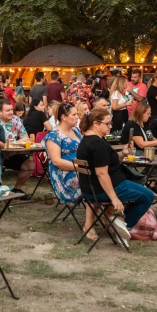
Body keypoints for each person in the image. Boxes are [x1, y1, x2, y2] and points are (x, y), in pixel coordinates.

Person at [76, 108, 155, 248]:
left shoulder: (88, 140)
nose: (111, 127)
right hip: (104, 188)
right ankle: (123, 223)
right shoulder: (97, 144)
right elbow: (102, 174)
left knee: (141, 188)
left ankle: (115, 220)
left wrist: (123, 153)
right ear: (96, 123)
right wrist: (114, 198)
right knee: (148, 195)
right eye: (108, 124)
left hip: (92, 188)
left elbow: (108, 162)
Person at [43, 102, 98, 239]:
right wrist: (81, 168)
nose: (76, 117)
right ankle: (90, 225)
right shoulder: (54, 136)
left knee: (104, 176)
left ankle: (107, 216)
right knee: (94, 182)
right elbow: (56, 161)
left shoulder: (76, 132)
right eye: (73, 115)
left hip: (81, 170)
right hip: (65, 176)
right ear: (64, 117)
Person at [0, 99, 35, 198]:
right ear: (0, 112)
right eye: (7, 110)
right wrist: (13, 144)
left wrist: (15, 144)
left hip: (13, 152)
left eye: (11, 110)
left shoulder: (16, 119)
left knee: (30, 165)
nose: (11, 112)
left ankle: (16, 189)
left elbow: (25, 137)